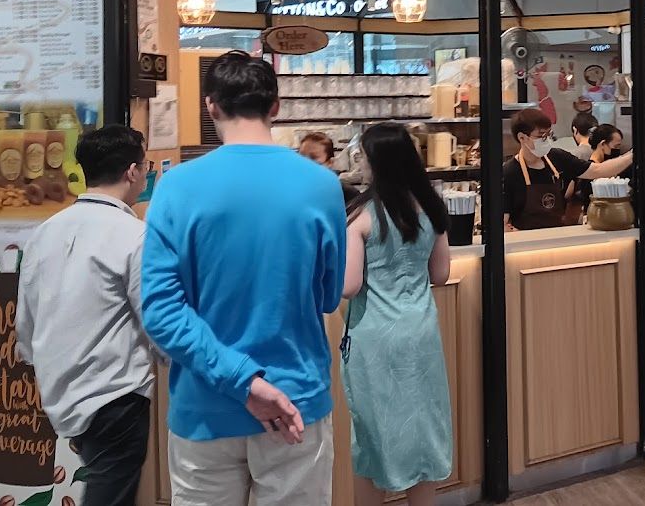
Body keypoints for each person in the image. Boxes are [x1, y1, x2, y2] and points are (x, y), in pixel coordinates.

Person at [142, 50, 346, 505]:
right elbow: (329, 295)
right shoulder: (323, 185)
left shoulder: (176, 185)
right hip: (296, 398)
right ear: (275, 107)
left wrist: (242, 382)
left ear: (211, 105)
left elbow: (160, 311)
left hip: (205, 402)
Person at [16, 125, 154, 506]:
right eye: (146, 165)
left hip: (61, 390)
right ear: (132, 171)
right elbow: (155, 319)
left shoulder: (45, 232)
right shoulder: (133, 235)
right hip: (116, 392)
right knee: (111, 493)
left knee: (107, 484)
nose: (146, 172)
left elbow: (25, 321)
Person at [343, 122, 453, 505]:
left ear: (374, 162)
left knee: (371, 436)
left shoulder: (360, 215)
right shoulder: (431, 208)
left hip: (374, 335)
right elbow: (441, 274)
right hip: (421, 333)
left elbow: (348, 285)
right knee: (423, 431)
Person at [503, 108, 633, 231]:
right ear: (522, 137)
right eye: (542, 135)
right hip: (527, 245)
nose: (546, 140)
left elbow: (598, 170)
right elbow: (502, 222)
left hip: (559, 236)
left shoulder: (558, 157)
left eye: (549, 134)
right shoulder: (509, 172)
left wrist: (632, 155)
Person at [298, 131, 360, 205]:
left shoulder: (347, 194)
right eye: (301, 157)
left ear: (330, 162)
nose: (305, 163)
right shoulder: (292, 193)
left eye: (313, 158)